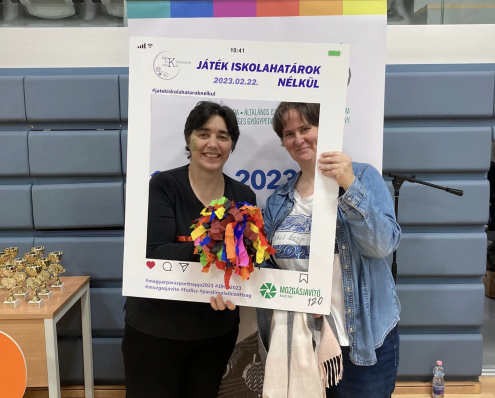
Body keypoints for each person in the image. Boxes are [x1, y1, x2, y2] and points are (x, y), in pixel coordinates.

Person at [258, 102, 401, 397]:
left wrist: (348, 184)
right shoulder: (278, 200)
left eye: (305, 128)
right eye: (289, 133)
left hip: (360, 342)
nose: (298, 139)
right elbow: (268, 268)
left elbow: (382, 246)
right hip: (301, 340)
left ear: (326, 129)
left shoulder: (363, 177)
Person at [123, 101, 256, 398]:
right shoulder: (163, 185)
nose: (213, 144)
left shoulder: (243, 196)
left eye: (223, 136)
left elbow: (246, 260)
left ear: (232, 144)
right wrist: (219, 247)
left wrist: (237, 270)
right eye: (203, 134)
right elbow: (155, 252)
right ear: (189, 139)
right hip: (156, 328)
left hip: (215, 333)